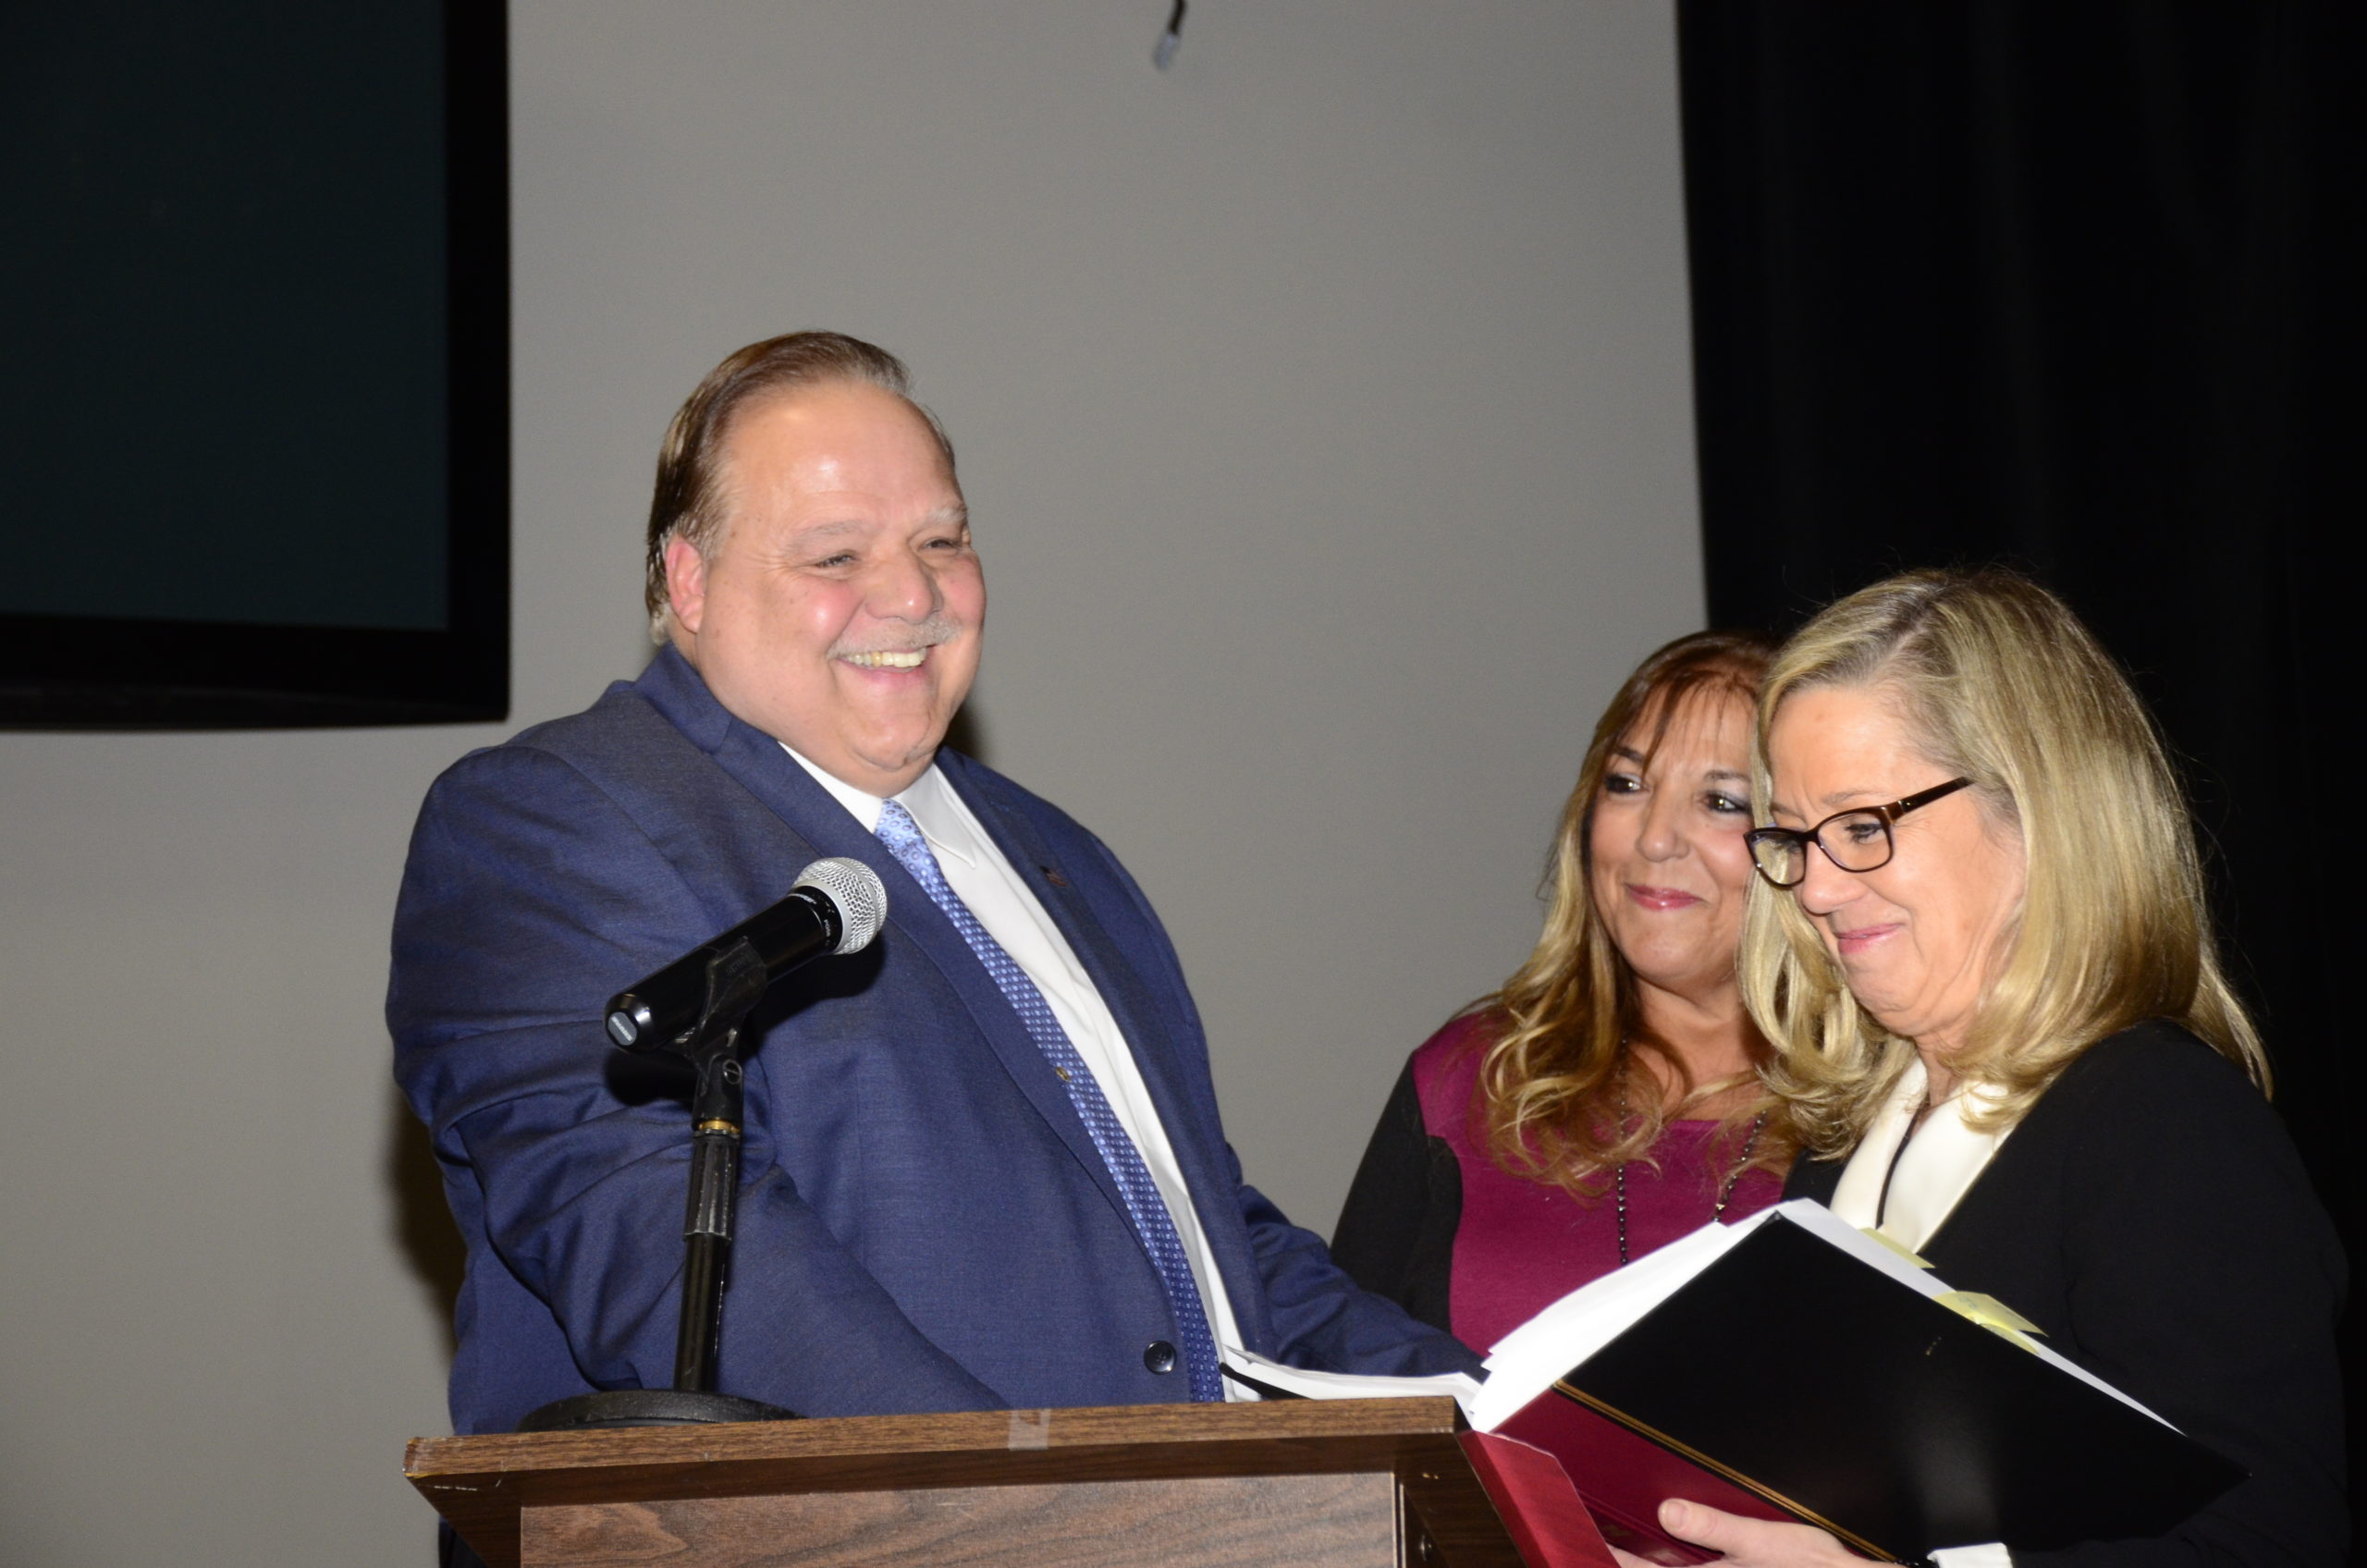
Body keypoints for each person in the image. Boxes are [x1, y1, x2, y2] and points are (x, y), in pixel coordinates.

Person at [387, 331, 1480, 1446]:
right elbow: (669, 1251)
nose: (912, 593)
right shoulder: (555, 822)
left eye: (941, 540)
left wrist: (1505, 1437)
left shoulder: (1062, 857)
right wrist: (1046, 1516)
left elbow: (1212, 1256)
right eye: (835, 557)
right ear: (690, 580)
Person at [1642, 570, 2345, 1567]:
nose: (1820, 889)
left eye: (1860, 826)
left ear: (2034, 811)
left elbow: (2273, 1543)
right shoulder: (1846, 1147)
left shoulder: (2162, 1125)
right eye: (1794, 839)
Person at [1331, 631, 1797, 1354]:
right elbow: (1341, 1402)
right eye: (1628, 784)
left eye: (1720, 800)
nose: (1654, 838)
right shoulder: (1469, 1079)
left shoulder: (1890, 1117)